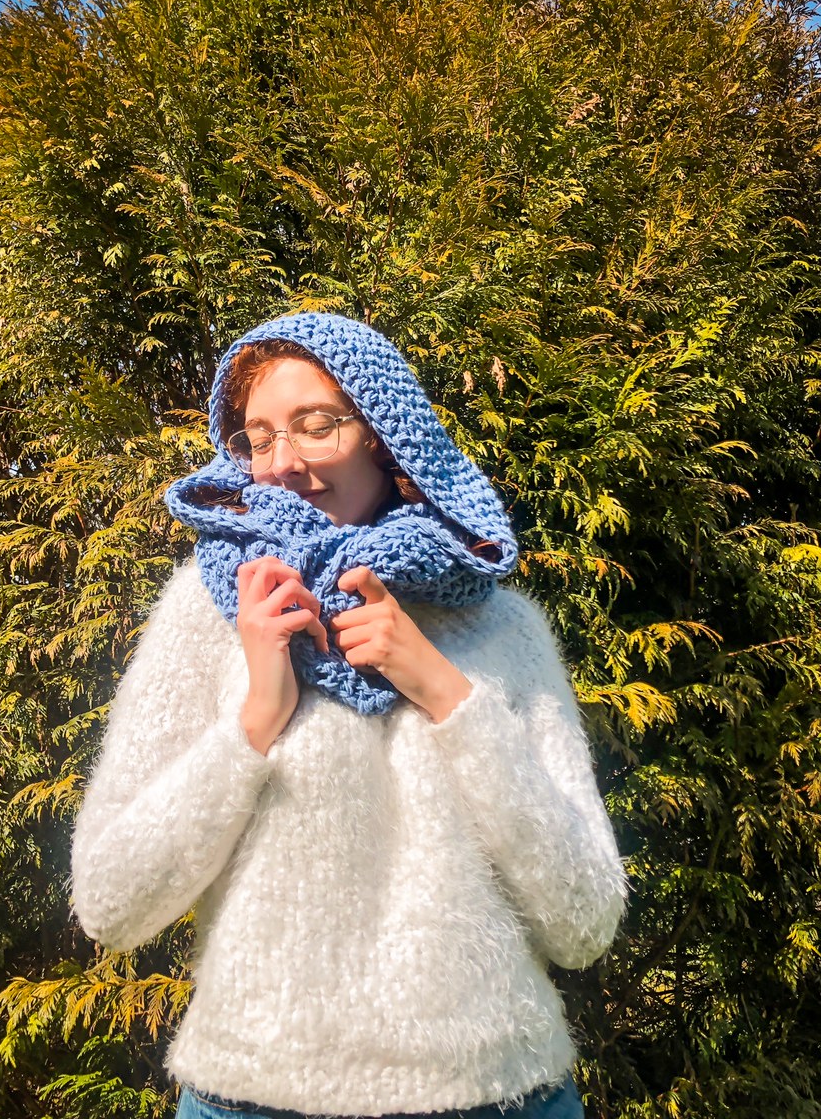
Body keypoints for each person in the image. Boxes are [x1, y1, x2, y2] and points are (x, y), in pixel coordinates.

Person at [70, 312, 627, 1119]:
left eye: (315, 425)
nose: (283, 464)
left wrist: (446, 694)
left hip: (498, 1095)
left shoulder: (502, 631)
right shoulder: (208, 614)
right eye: (259, 438)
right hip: (252, 1098)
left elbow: (585, 922)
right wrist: (255, 719)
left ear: (385, 439)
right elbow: (113, 904)